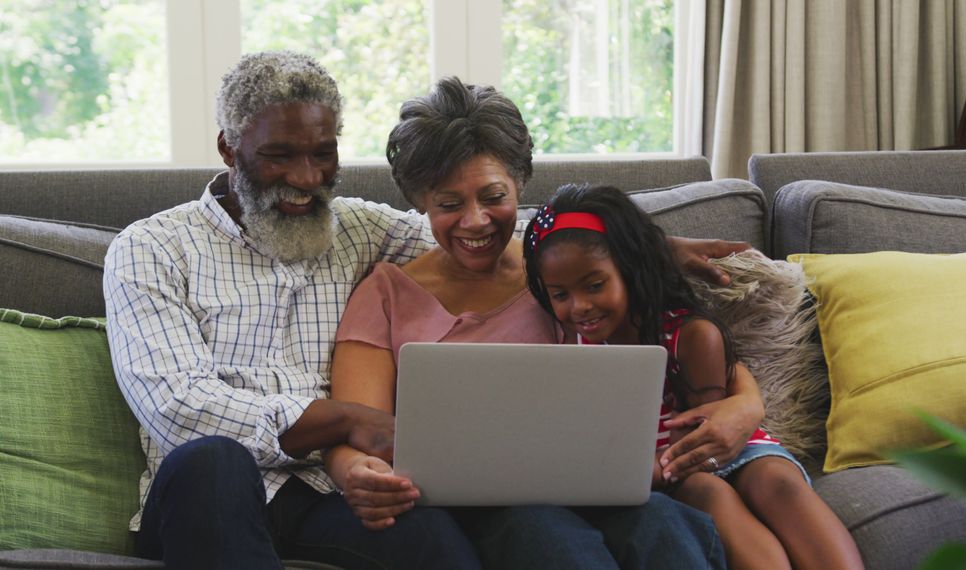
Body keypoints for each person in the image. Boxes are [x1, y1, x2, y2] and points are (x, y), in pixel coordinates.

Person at [103, 51, 747, 568]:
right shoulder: (152, 248)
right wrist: (347, 422)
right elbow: (178, 407)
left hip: (332, 492)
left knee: (440, 540)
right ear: (228, 148)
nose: (305, 177)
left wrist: (636, 242)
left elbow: (483, 228)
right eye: (279, 156)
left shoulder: (358, 228)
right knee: (216, 458)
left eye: (321, 154)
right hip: (212, 492)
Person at [326, 76, 764, 569]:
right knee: (549, 536)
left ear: (520, 184)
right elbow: (356, 428)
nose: (475, 222)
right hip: (473, 510)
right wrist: (355, 471)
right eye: (449, 205)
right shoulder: (385, 294)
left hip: (596, 487)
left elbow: (672, 336)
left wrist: (747, 403)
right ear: (421, 202)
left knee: (667, 525)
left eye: (494, 197)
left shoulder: (562, 278)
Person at [521, 184, 865, 570]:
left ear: (630, 270)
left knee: (778, 483)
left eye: (595, 286)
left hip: (720, 446)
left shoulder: (693, 336)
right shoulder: (570, 342)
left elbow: (709, 436)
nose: (580, 306)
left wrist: (644, 469)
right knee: (710, 494)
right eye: (560, 294)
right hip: (673, 470)